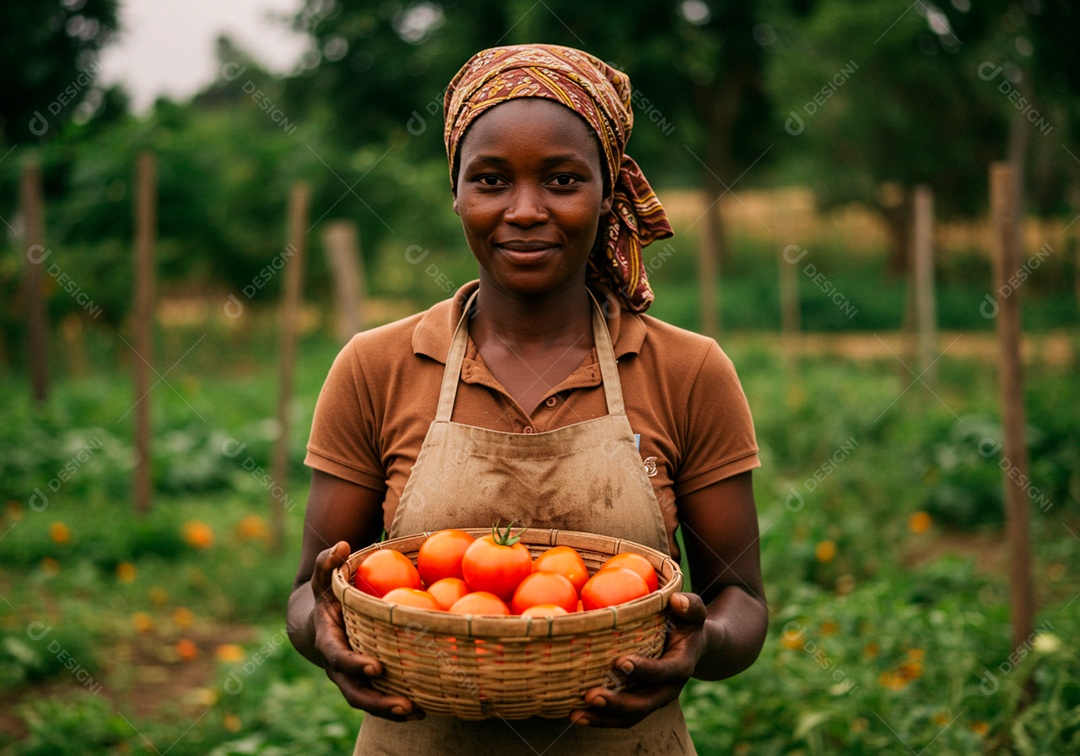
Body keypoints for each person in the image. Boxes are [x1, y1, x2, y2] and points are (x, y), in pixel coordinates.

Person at [287, 43, 766, 755]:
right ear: (456, 192)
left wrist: (701, 644)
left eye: (563, 180)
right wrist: (323, 635)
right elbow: (309, 591)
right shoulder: (375, 367)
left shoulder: (688, 371)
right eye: (490, 180)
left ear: (609, 191)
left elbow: (741, 600)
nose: (525, 211)